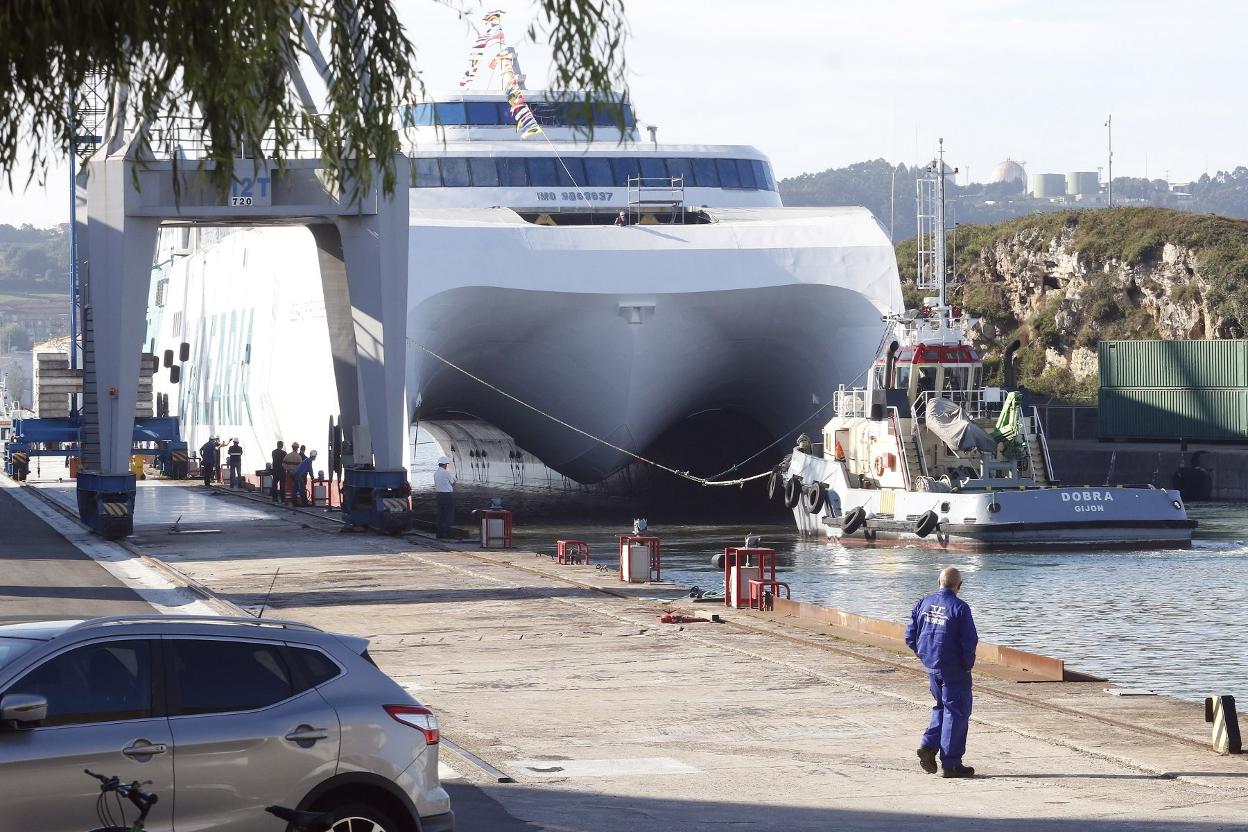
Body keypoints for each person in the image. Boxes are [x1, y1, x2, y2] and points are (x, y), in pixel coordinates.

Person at [905, 567, 979, 778]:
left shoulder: (923, 603)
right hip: (954, 669)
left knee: (941, 706)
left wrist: (924, 655)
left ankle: (929, 745)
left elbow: (910, 635)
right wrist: (967, 665)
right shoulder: (960, 608)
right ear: (960, 586)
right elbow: (969, 642)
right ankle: (951, 764)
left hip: (932, 667)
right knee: (957, 712)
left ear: (938, 581)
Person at [434, 455, 455, 538]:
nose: (447, 466)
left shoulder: (435, 473)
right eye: (446, 464)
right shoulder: (446, 472)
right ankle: (447, 534)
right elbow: (453, 482)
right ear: (444, 464)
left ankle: (439, 534)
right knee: (448, 514)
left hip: (439, 495)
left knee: (441, 514)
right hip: (447, 495)